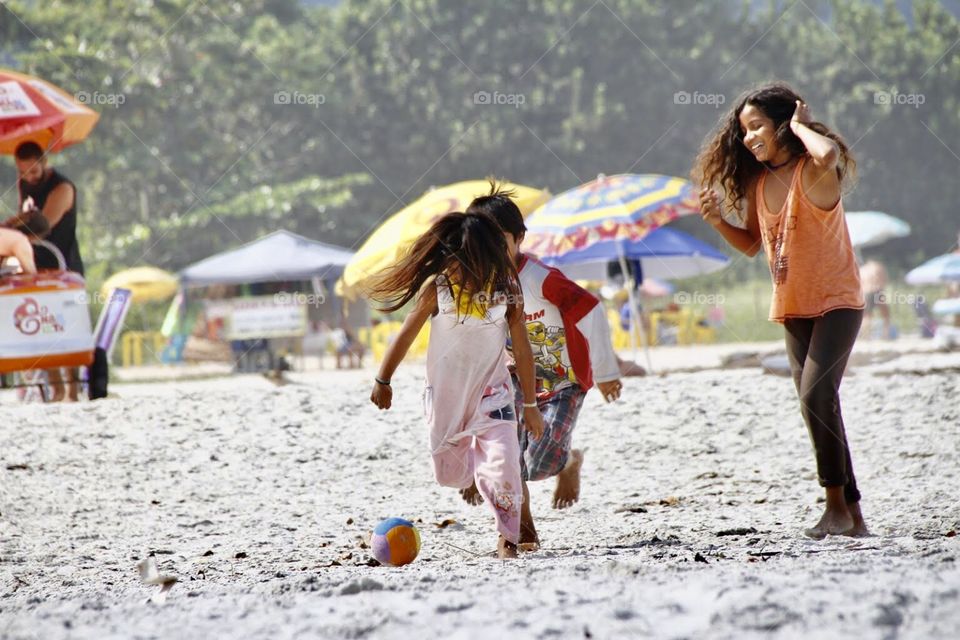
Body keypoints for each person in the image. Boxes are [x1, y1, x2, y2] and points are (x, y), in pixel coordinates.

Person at [693, 82, 868, 539]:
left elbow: (829, 155)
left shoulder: (812, 170)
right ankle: (853, 515)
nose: (749, 137)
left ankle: (834, 508)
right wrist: (717, 222)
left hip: (837, 302)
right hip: (792, 306)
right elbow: (753, 244)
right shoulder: (757, 181)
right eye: (743, 130)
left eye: (757, 127)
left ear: (781, 125)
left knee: (816, 396)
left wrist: (800, 125)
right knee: (819, 403)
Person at [367, 211, 545, 559]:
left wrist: (530, 405)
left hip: (493, 393)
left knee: (506, 464)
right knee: (449, 474)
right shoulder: (439, 289)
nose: (467, 270)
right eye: (460, 261)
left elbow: (522, 349)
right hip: (446, 398)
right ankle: (476, 475)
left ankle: (507, 538)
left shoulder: (507, 292)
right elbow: (406, 334)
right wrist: (383, 379)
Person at [463, 185, 623, 547]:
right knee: (511, 458)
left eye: (498, 238)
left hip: (563, 382)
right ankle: (523, 528)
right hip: (515, 382)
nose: (489, 248)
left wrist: (606, 372)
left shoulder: (540, 277)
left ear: (519, 238)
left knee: (541, 460)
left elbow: (593, 309)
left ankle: (567, 463)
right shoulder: (477, 286)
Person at [3, 141, 84, 401]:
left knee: (66, 325)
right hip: (37, 264)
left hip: (63, 263)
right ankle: (56, 388)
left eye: (34, 172)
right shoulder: (24, 181)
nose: (29, 177)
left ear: (45, 164)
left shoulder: (62, 187)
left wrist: (11, 229)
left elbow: (41, 225)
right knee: (41, 325)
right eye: (23, 171)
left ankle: (72, 389)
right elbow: (23, 217)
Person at [859, 259, 891, 339]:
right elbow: (884, 279)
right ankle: (885, 334)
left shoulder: (862, 270)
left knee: (866, 315)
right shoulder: (878, 267)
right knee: (886, 314)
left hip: (866, 292)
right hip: (877, 290)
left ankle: (866, 336)